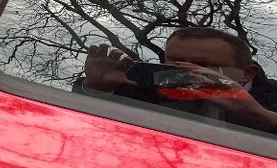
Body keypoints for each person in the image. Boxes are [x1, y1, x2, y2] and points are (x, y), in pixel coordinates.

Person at [81, 26, 277, 131]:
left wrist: (261, 116)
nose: (185, 70)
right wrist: (97, 87)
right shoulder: (145, 88)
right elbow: (93, 126)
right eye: (175, 62)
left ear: (248, 73)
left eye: (202, 64)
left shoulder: (272, 95)